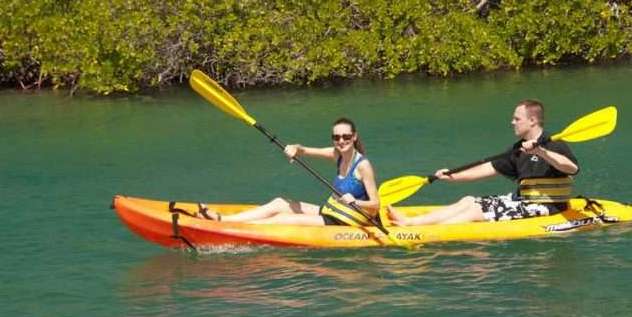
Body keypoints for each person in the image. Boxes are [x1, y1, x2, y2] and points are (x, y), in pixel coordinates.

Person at [386, 100, 579, 226]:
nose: (512, 122)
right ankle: (411, 223)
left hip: (548, 207)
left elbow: (571, 168)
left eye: (516, 118)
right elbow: (487, 168)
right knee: (469, 200)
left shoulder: (554, 143)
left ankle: (427, 232)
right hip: (522, 201)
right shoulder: (518, 148)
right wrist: (451, 177)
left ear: (532, 120)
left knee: (476, 211)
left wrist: (540, 151)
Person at [198, 118, 379, 226]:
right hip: (333, 211)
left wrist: (355, 201)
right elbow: (304, 150)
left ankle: (231, 228)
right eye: (336, 137)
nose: (341, 141)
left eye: (346, 137)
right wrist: (293, 148)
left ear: (354, 137)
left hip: (349, 219)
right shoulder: (336, 154)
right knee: (279, 203)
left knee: (283, 218)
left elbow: (375, 205)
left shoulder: (363, 165)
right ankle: (223, 220)